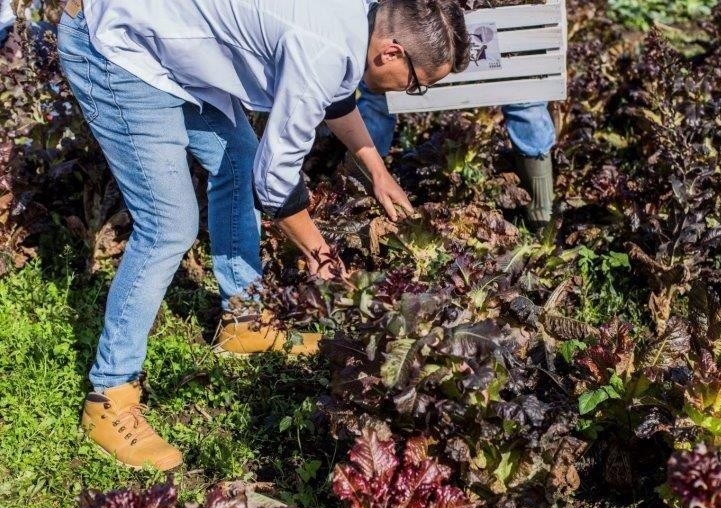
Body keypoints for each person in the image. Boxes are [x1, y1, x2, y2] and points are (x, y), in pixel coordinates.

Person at [57, 0, 470, 471]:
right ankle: (109, 394)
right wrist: (319, 252)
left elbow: (334, 96)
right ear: (392, 52)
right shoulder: (323, 47)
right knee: (168, 226)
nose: (412, 91)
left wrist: (377, 171)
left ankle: (243, 318)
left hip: (163, 41)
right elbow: (274, 181)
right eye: (417, 83)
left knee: (236, 162)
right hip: (114, 44)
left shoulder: (358, 18)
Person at [357, 83, 556, 225]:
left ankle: (362, 194)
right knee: (527, 93)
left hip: (417, 59)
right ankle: (541, 210)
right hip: (506, 64)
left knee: (376, 93)